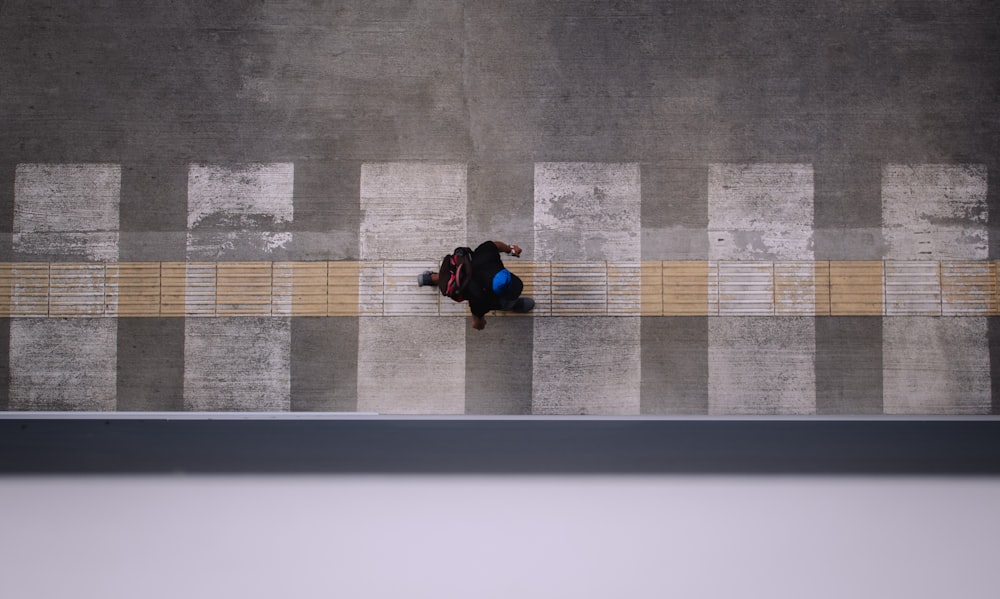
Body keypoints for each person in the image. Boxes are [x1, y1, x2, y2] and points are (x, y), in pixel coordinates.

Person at [418, 240, 534, 330]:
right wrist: (479, 324)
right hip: (467, 287)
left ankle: (430, 278)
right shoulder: (479, 298)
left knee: (456, 275)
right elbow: (477, 320)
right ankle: (511, 305)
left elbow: (495, 245)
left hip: (463, 268)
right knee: (503, 302)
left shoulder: (487, 255)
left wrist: (511, 249)